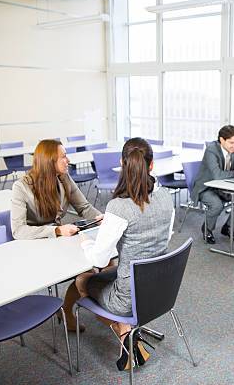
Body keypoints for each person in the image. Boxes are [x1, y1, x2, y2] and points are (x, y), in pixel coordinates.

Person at [77, 137, 175, 371]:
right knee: (113, 270)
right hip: (159, 290)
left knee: (82, 280)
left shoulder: (118, 207)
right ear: (151, 165)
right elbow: (164, 239)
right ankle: (131, 333)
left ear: (122, 163)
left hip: (128, 299)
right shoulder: (166, 197)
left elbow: (98, 260)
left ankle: (125, 335)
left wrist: (85, 242)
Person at [11, 139, 103, 332]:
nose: (68, 160)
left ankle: (66, 308)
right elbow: (18, 230)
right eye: (63, 156)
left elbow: (84, 207)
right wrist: (56, 230)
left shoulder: (63, 178)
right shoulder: (21, 187)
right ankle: (72, 311)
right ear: (49, 161)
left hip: (61, 241)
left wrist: (100, 218)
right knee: (89, 270)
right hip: (35, 244)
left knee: (95, 266)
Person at [191, 125, 234, 244]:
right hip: (207, 187)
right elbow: (217, 175)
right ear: (222, 140)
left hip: (224, 186)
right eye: (231, 142)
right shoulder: (211, 150)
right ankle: (207, 228)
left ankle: (229, 227)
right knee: (216, 205)